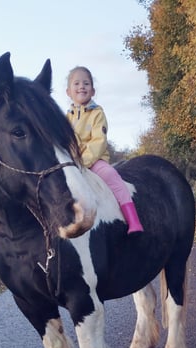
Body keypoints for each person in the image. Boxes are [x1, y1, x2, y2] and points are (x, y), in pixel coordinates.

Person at [65, 66, 143, 234]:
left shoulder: (97, 113)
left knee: (111, 176)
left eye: (86, 83)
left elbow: (98, 141)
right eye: (76, 83)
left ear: (92, 91)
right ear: (68, 92)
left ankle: (133, 220)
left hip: (94, 161)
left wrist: (83, 162)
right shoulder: (67, 118)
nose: (81, 87)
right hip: (72, 163)